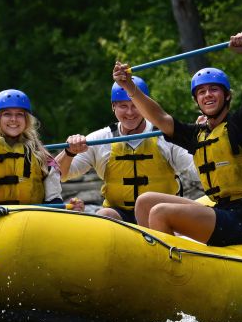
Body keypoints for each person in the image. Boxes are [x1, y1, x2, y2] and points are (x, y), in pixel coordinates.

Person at [111, 31, 242, 246]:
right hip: (221, 211)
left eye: (214, 89)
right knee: (146, 201)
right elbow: (159, 117)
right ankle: (151, 256)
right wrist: (129, 87)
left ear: (227, 96)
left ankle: (172, 270)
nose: (208, 95)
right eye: (201, 92)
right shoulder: (197, 135)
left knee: (160, 212)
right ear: (197, 101)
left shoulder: (241, 124)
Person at [54, 76, 199, 223]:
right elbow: (60, 175)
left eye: (135, 105)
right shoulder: (100, 139)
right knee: (104, 214)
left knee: (156, 211)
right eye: (123, 106)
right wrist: (69, 152)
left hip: (162, 212)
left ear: (145, 106)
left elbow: (196, 171)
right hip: (120, 214)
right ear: (113, 107)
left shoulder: (165, 136)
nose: (130, 113)